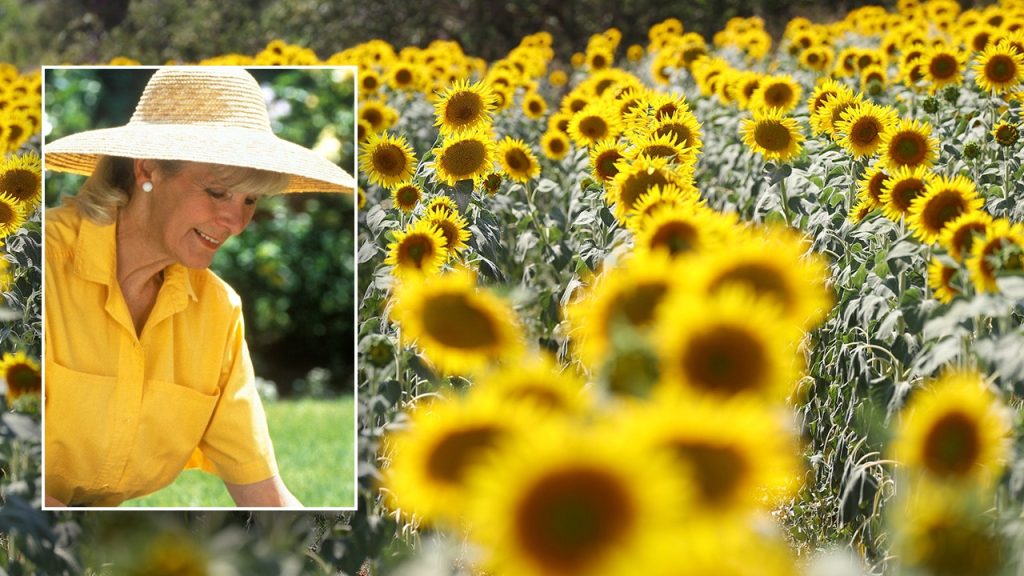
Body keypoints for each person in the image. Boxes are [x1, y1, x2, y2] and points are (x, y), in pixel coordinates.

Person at [42, 67, 354, 507]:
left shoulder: (216, 311)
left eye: (250, 200)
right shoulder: (29, 266)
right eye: (217, 191)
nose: (236, 222)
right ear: (147, 168)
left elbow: (264, 495)